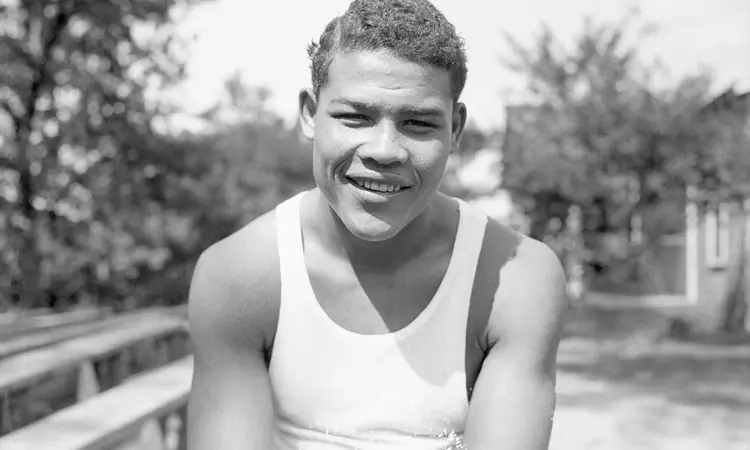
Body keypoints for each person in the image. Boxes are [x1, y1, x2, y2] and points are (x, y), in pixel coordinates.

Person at [186, 0, 569, 449]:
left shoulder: (514, 281)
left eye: (418, 123)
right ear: (310, 114)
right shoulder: (240, 277)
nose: (384, 150)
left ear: (456, 128)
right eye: (355, 117)